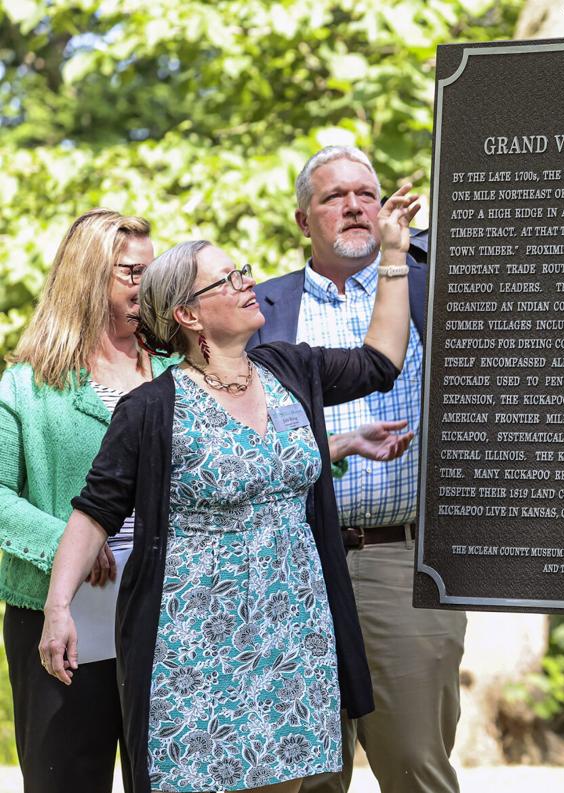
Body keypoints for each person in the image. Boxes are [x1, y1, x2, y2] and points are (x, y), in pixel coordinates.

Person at [37, 183, 420, 793]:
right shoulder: (149, 409)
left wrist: (394, 254)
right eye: (226, 279)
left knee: (287, 783)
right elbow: (94, 512)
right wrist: (58, 609)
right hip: (194, 641)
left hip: (295, 628)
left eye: (241, 271)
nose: (247, 282)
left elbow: (380, 360)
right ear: (188, 314)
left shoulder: (290, 369)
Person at [250, 146, 466, 793]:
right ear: (301, 220)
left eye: (365, 194)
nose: (352, 206)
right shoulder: (260, 308)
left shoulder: (436, 287)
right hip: (293, 563)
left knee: (414, 765)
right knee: (303, 770)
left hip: (402, 565)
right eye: (332, 196)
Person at [0, 208, 160, 792]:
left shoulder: (179, 371)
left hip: (172, 616)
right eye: (132, 272)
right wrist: (69, 547)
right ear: (89, 279)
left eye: (153, 269)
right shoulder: (26, 384)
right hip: (60, 620)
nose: (150, 282)